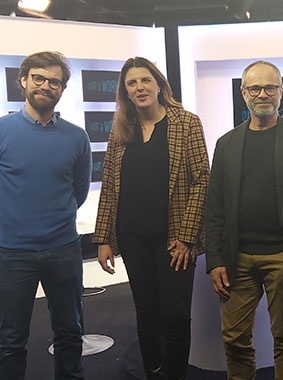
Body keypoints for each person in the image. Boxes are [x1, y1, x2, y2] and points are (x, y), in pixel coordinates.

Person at [0, 51, 91, 380]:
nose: (46, 86)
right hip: (12, 254)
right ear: (23, 81)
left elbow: (78, 192)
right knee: (11, 342)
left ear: (62, 89)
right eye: (39, 78)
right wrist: (9, 225)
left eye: (55, 81)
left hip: (64, 250)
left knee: (69, 335)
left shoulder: (76, 138)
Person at [93, 57, 210, 380]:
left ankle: (174, 374)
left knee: (174, 314)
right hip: (132, 236)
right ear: (125, 91)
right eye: (132, 83)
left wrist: (187, 237)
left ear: (159, 85)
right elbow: (110, 188)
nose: (139, 88)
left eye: (145, 80)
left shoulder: (186, 123)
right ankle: (152, 371)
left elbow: (202, 179)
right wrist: (104, 239)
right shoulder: (120, 131)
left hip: (174, 238)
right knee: (146, 312)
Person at [204, 60, 283, 379]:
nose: (262, 94)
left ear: (281, 92)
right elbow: (214, 206)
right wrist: (214, 260)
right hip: (236, 257)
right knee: (235, 339)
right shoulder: (226, 144)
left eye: (270, 87)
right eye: (254, 88)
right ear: (243, 93)